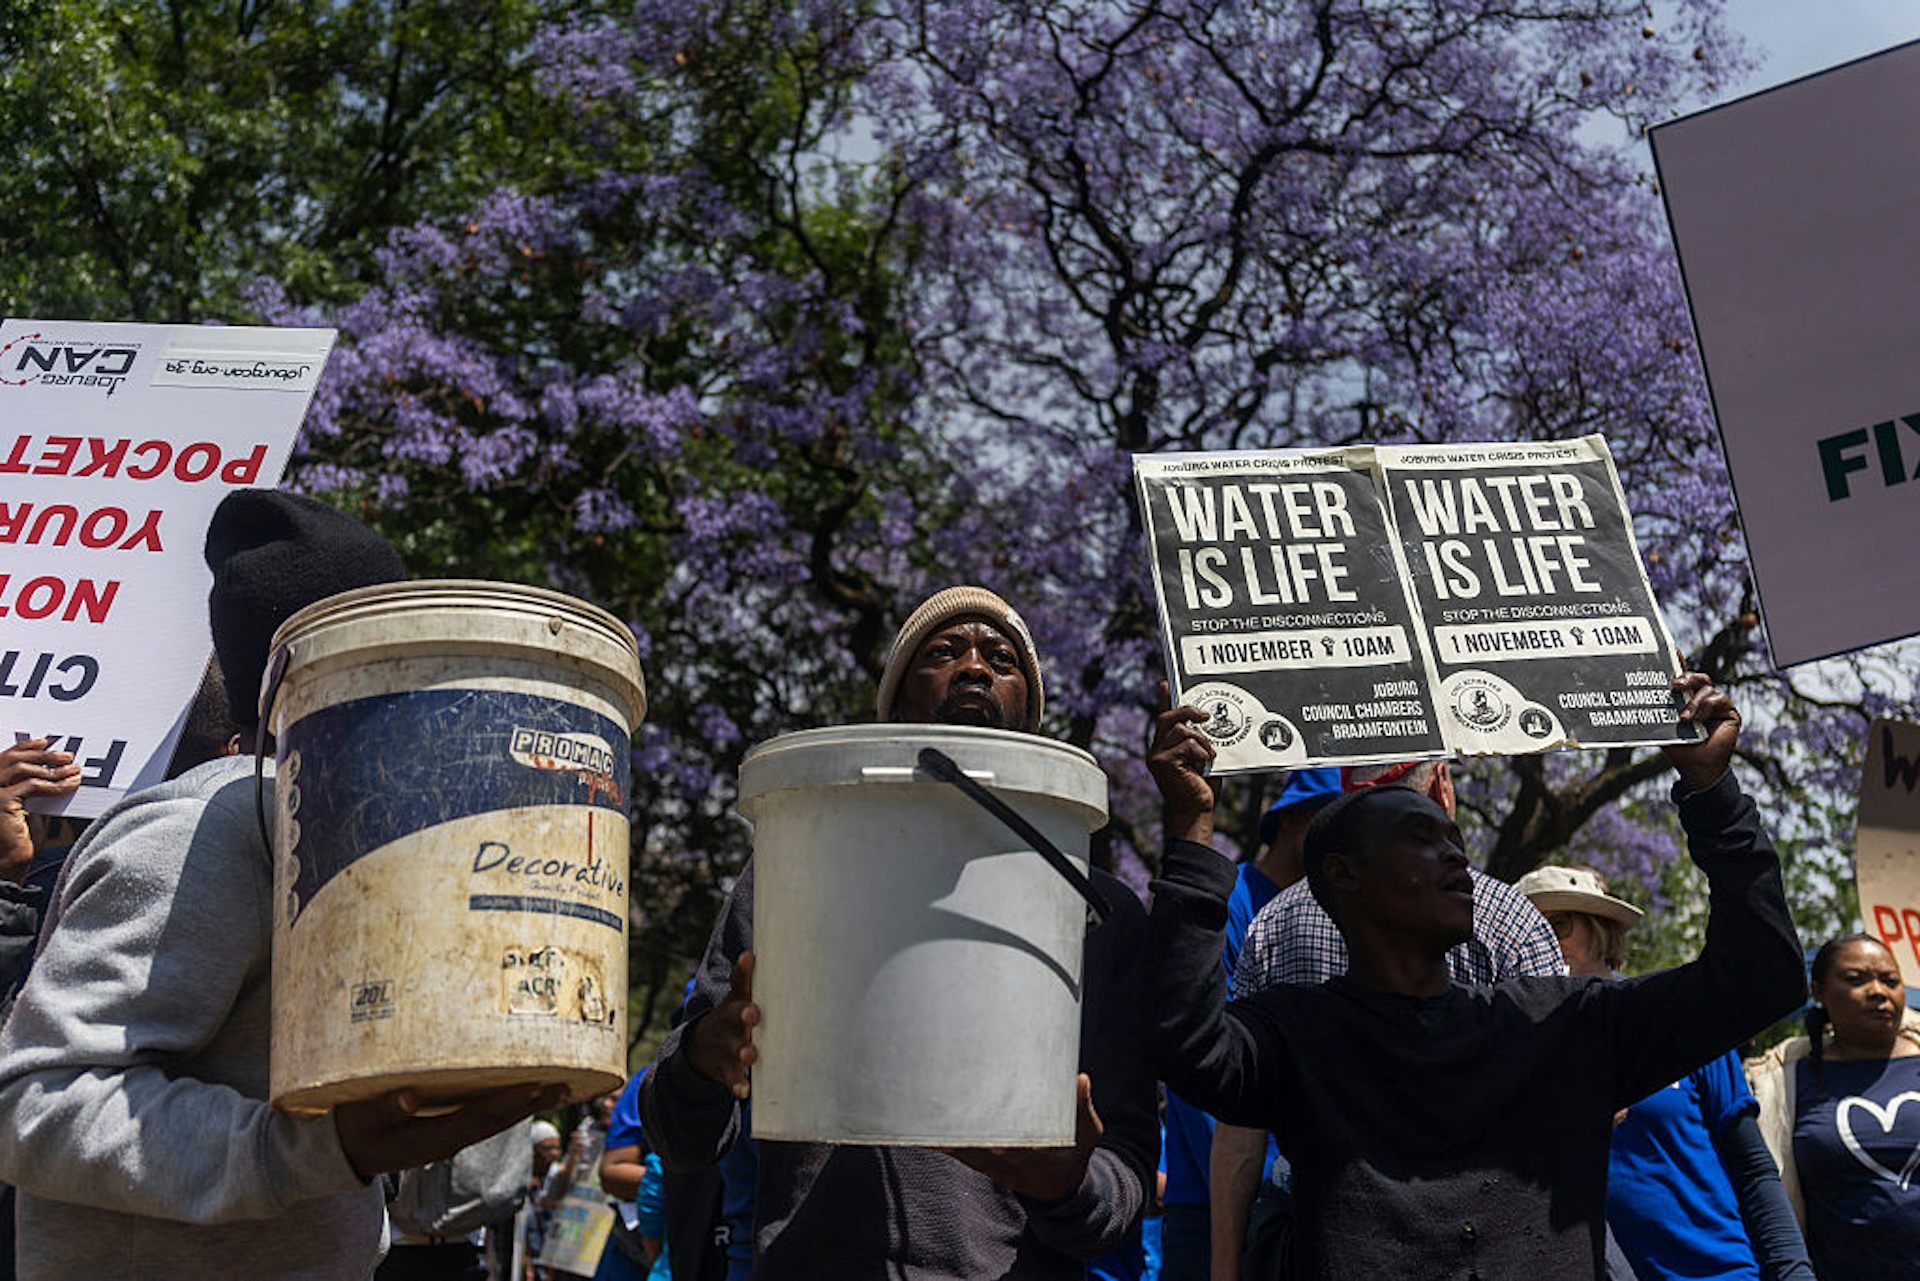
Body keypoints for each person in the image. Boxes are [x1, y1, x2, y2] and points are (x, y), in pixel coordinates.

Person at [0, 489, 561, 1279]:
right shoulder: (200, 831)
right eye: (382, 650)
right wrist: (314, 1147)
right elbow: (35, 1105)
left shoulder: (356, 826)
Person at [1145, 673, 1805, 1277]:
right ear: (1344, 876)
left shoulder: (1564, 1024)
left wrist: (1712, 794)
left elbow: (1762, 977)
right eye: (1420, 839)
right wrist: (1191, 830)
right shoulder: (1297, 1037)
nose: (1456, 859)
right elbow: (1186, 1041)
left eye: (1454, 843)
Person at [640, 585, 1158, 1278]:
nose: (975, 666)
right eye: (944, 651)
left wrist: (1067, 1183)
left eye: (1001, 658)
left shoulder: (1100, 914)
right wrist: (704, 1061)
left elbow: (1121, 1183)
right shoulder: (794, 873)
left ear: (1031, 723)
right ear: (899, 706)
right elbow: (679, 1134)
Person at [1209, 759, 1564, 1279]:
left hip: (1322, 1232)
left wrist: (1223, 1269)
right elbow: (1562, 1101)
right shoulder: (1509, 918)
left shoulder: (1275, 923)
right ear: (1442, 785)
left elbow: (1241, 1122)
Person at [1514, 864, 1812, 1280]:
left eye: (1559, 925)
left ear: (1602, 931)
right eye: (1528, 931)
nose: (1543, 943)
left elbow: (1751, 1166)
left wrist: (1793, 1271)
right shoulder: (1506, 1049)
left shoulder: (1675, 1021)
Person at [1157, 769, 1339, 1280]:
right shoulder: (1234, 900)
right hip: (1211, 1204)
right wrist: (1251, 1185)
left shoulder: (1334, 913)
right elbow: (1202, 1062)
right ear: (1299, 822)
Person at [1748, 932, 1920, 1278]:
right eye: (1856, 979)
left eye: (1890, 980)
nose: (1878, 992)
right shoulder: (1778, 1080)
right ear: (1818, 992)